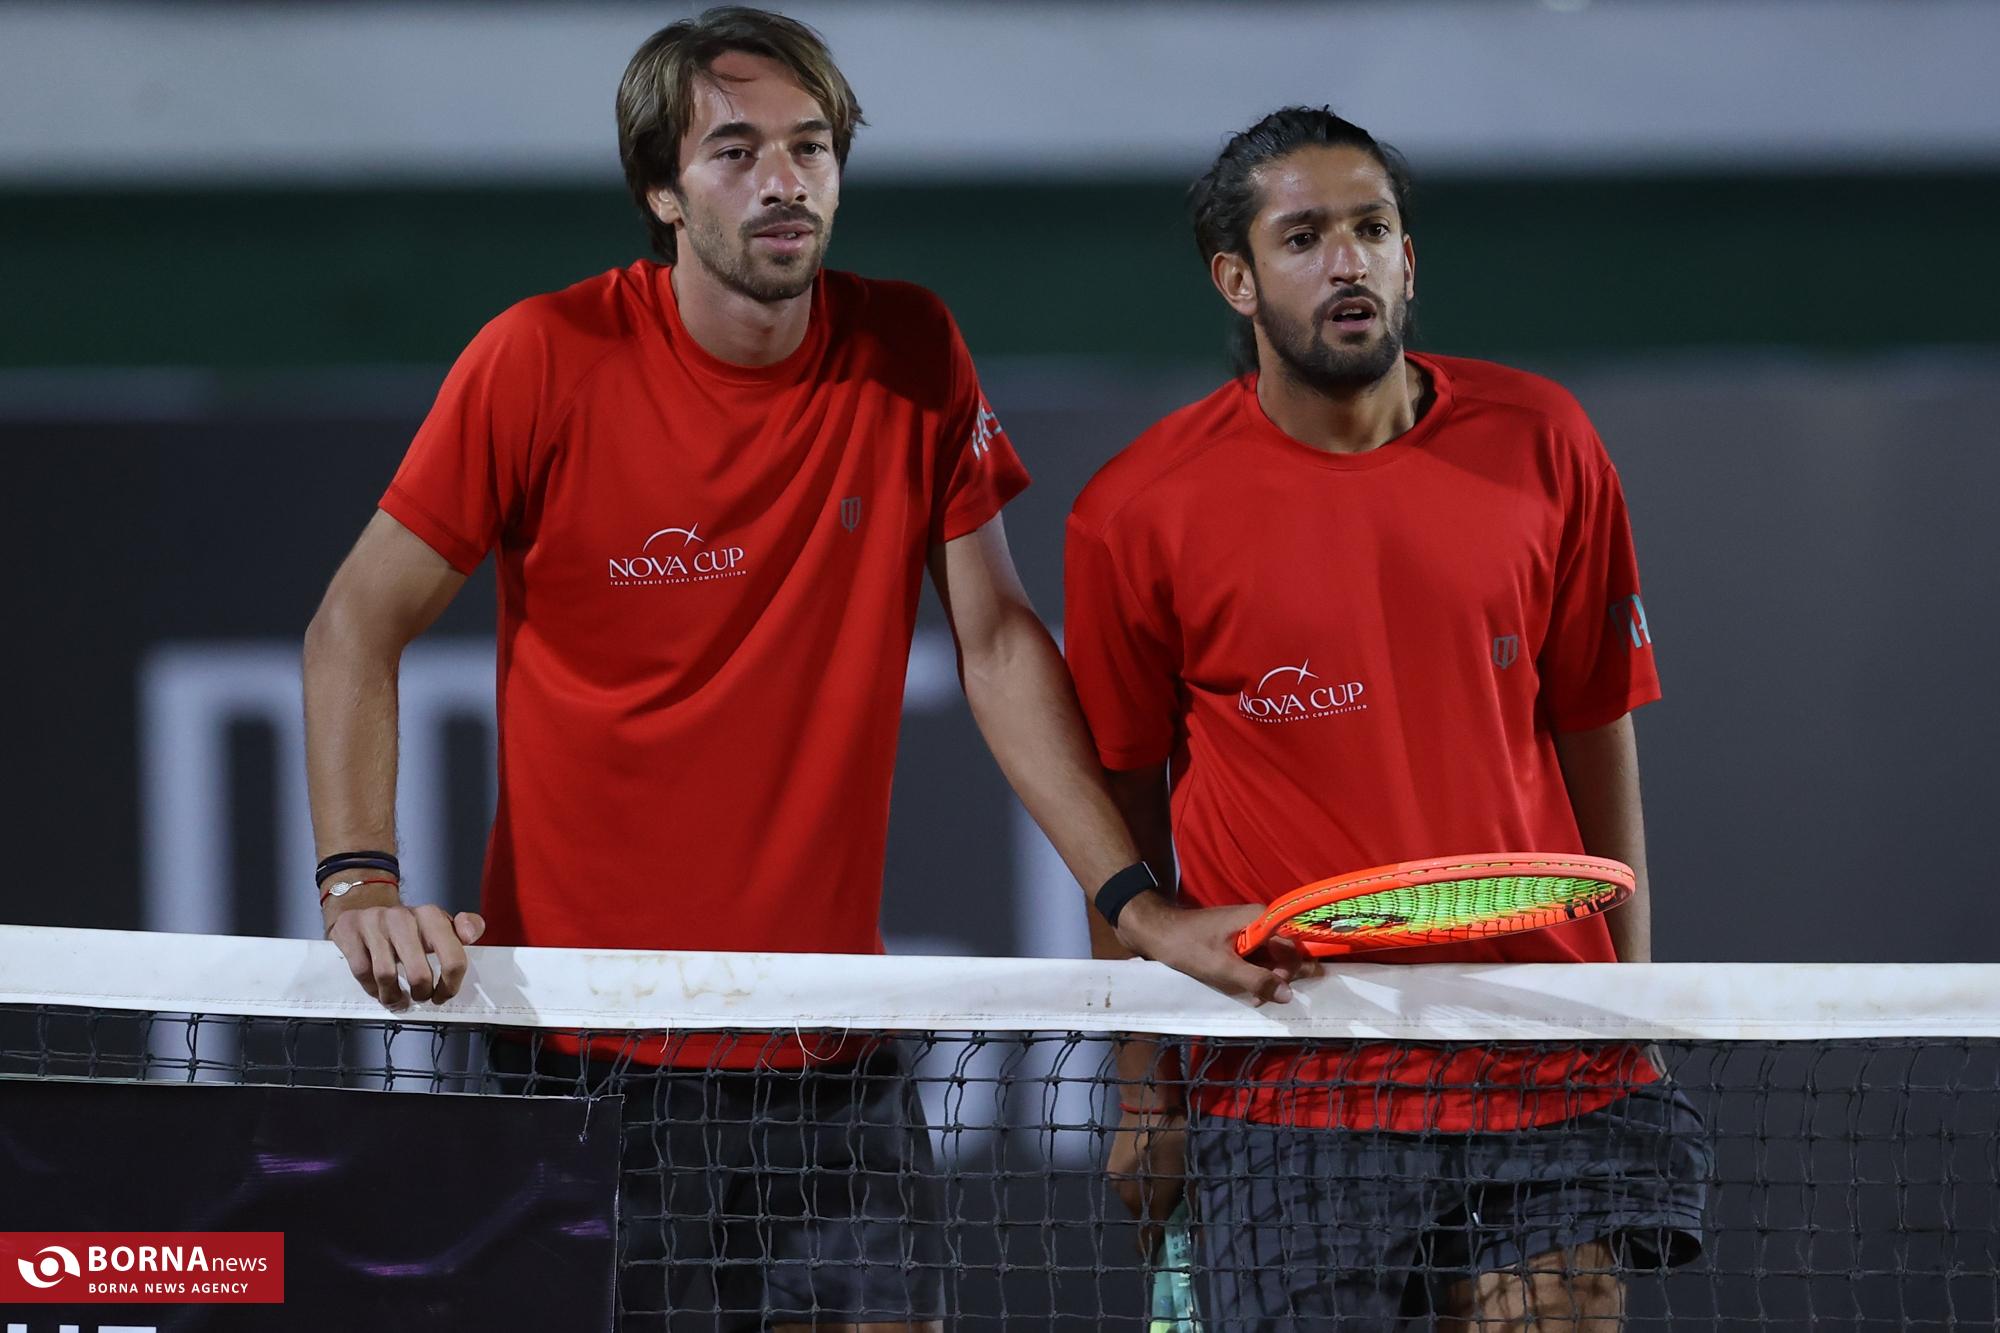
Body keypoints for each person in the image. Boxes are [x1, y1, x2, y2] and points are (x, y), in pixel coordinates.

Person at [299, 10, 1285, 1329]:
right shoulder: (539, 359)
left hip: (829, 1047)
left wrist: (1135, 902)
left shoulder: (912, 351)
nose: (784, 180)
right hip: (578, 1055)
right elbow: (354, 625)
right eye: (735, 151)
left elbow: (996, 640)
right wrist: (361, 880)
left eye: (810, 147)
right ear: (662, 191)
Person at [1063, 107, 1710, 1330]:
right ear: (1236, 280)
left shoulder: (1545, 442)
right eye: (1302, 236)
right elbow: (1125, 807)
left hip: (1541, 1051)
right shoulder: (1134, 513)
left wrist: (1627, 999)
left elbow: (1593, 732)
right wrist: (1144, 1089)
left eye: (1370, 229)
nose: (1345, 260)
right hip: (1291, 1076)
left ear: (1407, 259)